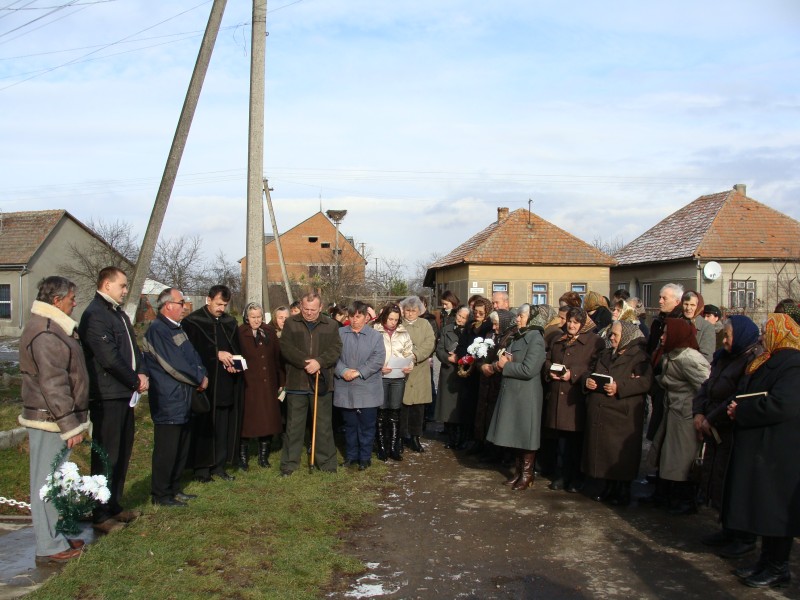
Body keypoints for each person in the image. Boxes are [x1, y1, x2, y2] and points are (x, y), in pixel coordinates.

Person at [723, 312, 800, 589]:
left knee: (775, 512)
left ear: (780, 333)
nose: (763, 337)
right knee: (765, 510)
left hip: (780, 450)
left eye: (767, 332)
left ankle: (778, 567)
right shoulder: (770, 360)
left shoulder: (793, 364)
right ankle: (765, 562)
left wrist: (744, 411)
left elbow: (783, 404)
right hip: (765, 447)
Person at [19, 276, 90, 564]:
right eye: (71, 298)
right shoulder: (46, 332)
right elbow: (53, 384)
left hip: (54, 418)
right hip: (50, 419)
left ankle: (56, 534)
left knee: (56, 480)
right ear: (57, 300)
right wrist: (69, 425)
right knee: (46, 483)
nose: (75, 302)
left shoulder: (54, 327)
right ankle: (48, 545)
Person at [78, 266, 148, 533]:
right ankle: (100, 513)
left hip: (124, 394)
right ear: (107, 285)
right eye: (122, 285)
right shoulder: (95, 314)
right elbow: (109, 358)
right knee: (106, 455)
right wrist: (134, 380)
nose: (126, 290)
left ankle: (114, 505)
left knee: (122, 452)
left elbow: (134, 348)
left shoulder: (118, 313)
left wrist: (142, 372)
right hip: (107, 395)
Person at [692, 315, 761, 558]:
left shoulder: (751, 362)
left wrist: (711, 418)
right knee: (717, 479)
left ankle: (743, 536)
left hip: (732, 431)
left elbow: (738, 396)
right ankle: (727, 528)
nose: (724, 341)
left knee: (732, 482)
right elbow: (707, 385)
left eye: (728, 336)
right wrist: (699, 412)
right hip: (714, 429)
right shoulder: (724, 357)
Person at [143, 288, 208, 507]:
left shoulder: (177, 328)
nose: (185, 306)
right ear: (168, 305)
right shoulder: (158, 330)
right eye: (181, 303)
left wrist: (202, 372)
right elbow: (174, 365)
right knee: (167, 450)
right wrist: (198, 378)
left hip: (184, 398)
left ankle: (174, 488)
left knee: (181, 448)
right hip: (168, 400)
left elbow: (193, 355)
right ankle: (161, 494)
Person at [582, 321, 653, 506]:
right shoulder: (605, 353)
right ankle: (607, 486)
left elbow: (645, 382)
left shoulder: (639, 357)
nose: (611, 337)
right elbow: (589, 371)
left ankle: (622, 489)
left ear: (626, 337)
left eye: (615, 335)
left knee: (620, 454)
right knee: (605, 452)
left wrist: (619, 386)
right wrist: (587, 381)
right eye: (611, 334)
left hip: (622, 414)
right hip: (602, 411)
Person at [645, 318, 710, 514]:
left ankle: (686, 501)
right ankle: (665, 495)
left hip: (685, 415)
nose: (662, 337)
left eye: (666, 333)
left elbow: (706, 387)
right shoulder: (671, 354)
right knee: (667, 455)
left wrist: (701, 413)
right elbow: (668, 379)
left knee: (682, 459)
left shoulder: (689, 358)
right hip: (672, 411)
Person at [182, 285, 242, 483]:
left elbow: (236, 348)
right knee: (204, 425)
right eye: (218, 304)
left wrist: (234, 363)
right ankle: (201, 468)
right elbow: (189, 352)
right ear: (208, 300)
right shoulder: (193, 322)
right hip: (205, 384)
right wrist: (216, 354)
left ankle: (219, 465)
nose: (221, 309)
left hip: (225, 384)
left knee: (223, 425)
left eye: (224, 305)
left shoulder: (229, 322)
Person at [279, 292, 342, 475]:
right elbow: (286, 347)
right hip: (297, 382)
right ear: (301, 306)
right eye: (306, 309)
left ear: (320, 308)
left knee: (323, 426)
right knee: (294, 426)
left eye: (313, 310)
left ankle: (327, 463)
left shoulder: (331, 325)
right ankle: (289, 464)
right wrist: (307, 362)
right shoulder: (291, 323)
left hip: (321, 383)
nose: (309, 313)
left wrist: (319, 362)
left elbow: (336, 349)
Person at [486, 303, 546, 490]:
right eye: (518, 315)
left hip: (527, 394)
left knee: (526, 435)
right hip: (514, 392)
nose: (517, 319)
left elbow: (529, 369)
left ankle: (527, 474)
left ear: (531, 318)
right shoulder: (519, 336)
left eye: (521, 316)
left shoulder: (535, 338)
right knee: (516, 434)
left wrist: (506, 365)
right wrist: (502, 362)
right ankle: (518, 472)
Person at [543, 307, 604, 492]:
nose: (571, 325)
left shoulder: (595, 342)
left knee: (576, 441)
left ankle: (576, 478)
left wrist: (574, 374)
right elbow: (547, 359)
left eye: (576, 322)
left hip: (576, 398)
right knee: (561, 440)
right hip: (557, 395)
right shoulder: (558, 340)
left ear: (583, 324)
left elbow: (595, 367)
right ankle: (561, 475)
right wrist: (550, 371)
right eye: (569, 321)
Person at [334, 301, 386, 470]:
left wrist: (359, 372)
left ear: (366, 317)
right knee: (350, 425)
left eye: (358, 316)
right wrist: (343, 371)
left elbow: (378, 359)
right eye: (351, 316)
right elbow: (332, 356)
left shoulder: (375, 336)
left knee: (367, 426)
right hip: (346, 387)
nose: (354, 320)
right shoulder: (340, 333)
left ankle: (365, 457)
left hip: (368, 387)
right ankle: (351, 456)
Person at [237, 303, 284, 470]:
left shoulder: (269, 332)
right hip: (249, 384)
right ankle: (242, 457)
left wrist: (281, 381)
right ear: (246, 317)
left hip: (268, 384)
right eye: (253, 317)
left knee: (267, 420)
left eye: (259, 317)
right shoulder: (240, 333)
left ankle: (264, 456)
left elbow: (277, 358)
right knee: (246, 422)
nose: (256, 320)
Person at [373, 304, 414, 461]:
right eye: (390, 319)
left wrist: (409, 365)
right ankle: (381, 447)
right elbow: (370, 353)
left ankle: (393, 447)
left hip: (398, 376)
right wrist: (379, 367)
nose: (393, 323)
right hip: (381, 376)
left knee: (395, 412)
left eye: (396, 320)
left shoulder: (403, 333)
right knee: (381, 412)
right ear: (384, 317)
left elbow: (408, 353)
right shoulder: (375, 331)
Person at [646, 283, 685, 442]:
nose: (660, 301)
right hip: (656, 378)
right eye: (659, 297)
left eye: (664, 298)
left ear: (677, 301)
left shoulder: (681, 323)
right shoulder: (658, 322)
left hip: (670, 380)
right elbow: (650, 347)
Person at [399, 296, 436, 452]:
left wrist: (415, 355)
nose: (410, 313)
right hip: (402, 370)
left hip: (420, 370)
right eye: (407, 310)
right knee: (403, 406)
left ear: (419, 311)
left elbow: (430, 342)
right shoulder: (399, 324)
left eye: (413, 311)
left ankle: (415, 437)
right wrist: (404, 357)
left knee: (418, 407)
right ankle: (401, 437)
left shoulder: (425, 324)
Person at [434, 306, 468, 449]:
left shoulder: (470, 331)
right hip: (449, 371)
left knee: (461, 406)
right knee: (447, 406)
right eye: (459, 315)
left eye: (464, 317)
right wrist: (448, 358)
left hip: (465, 372)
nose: (460, 319)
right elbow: (439, 349)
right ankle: (452, 437)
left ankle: (462, 438)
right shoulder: (447, 329)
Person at [680, 290, 715, 363]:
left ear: (698, 306)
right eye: (686, 304)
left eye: (692, 305)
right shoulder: (676, 322)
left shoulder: (707, 327)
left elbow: (706, 357)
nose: (688, 308)